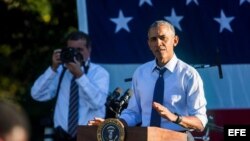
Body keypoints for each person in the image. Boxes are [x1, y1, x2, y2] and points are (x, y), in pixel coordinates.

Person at [88, 20, 207, 141]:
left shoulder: (189, 75)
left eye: (163, 38)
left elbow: (200, 122)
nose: (158, 43)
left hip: (179, 137)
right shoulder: (140, 73)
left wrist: (174, 117)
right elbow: (133, 113)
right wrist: (113, 125)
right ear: (149, 44)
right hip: (146, 137)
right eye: (153, 39)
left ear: (175, 40)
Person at [31, 31, 110, 141]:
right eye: (71, 50)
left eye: (79, 50)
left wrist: (80, 75)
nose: (75, 54)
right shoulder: (60, 71)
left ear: (89, 50)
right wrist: (53, 69)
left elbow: (97, 103)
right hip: (60, 135)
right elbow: (37, 94)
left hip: (89, 135)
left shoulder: (99, 73)